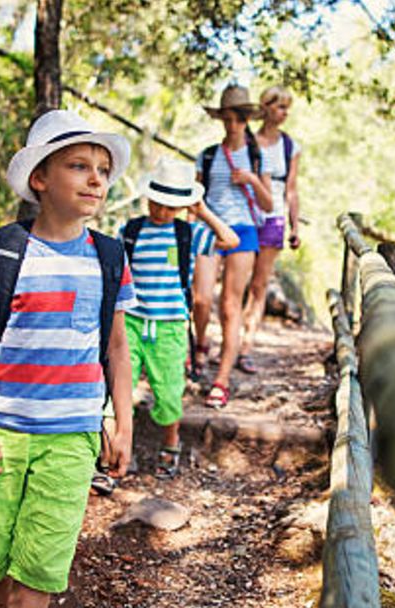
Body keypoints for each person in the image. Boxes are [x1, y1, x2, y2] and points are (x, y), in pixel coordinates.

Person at [0, 110, 136, 608]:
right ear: (40, 179)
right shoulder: (2, 249)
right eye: (79, 166)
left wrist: (121, 421)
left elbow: (118, 347)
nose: (95, 179)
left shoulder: (108, 257)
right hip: (2, 425)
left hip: (72, 434)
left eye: (102, 169)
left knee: (41, 564)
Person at [119, 159, 239, 476]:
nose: (163, 212)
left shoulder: (188, 233)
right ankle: (119, 448)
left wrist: (203, 212)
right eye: (158, 204)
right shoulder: (130, 231)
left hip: (170, 325)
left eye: (172, 207)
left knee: (169, 389)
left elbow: (230, 241)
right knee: (120, 386)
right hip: (130, 321)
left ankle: (170, 444)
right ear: (148, 198)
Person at [191, 84, 273, 408]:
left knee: (230, 306)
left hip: (244, 231)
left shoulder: (256, 156)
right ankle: (200, 344)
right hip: (209, 229)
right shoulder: (208, 155)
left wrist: (251, 179)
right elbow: (194, 197)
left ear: (246, 119)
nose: (232, 124)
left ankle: (221, 379)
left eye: (238, 118)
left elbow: (268, 204)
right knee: (200, 299)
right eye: (227, 118)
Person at [239, 85, 301, 373]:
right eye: (279, 107)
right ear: (265, 108)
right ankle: (231, 340)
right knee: (236, 282)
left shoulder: (290, 147)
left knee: (260, 284)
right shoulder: (246, 140)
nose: (283, 113)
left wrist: (294, 226)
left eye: (287, 108)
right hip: (244, 213)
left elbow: (291, 189)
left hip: (274, 217)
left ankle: (246, 345)